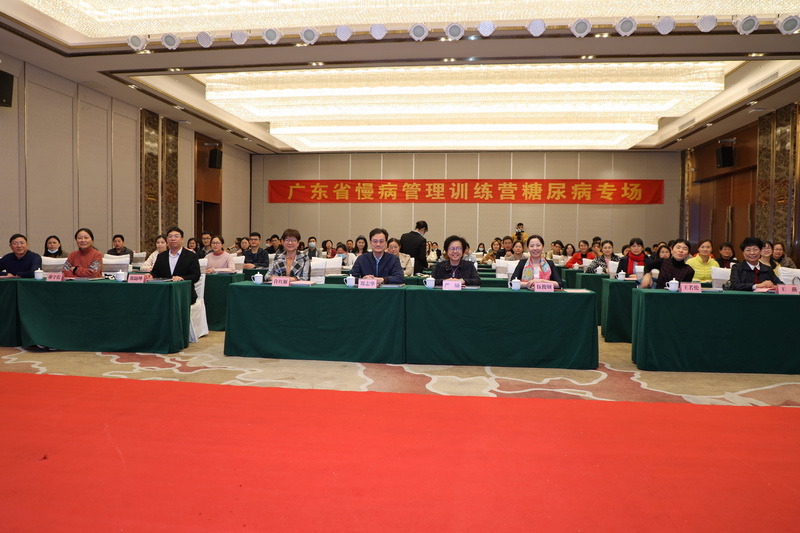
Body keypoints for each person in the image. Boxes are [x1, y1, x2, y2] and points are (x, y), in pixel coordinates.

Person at [148, 226, 201, 303]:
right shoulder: (161, 256)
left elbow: (196, 275)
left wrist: (182, 278)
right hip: (164, 293)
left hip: (184, 294)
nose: (173, 239)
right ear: (167, 240)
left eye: (176, 236)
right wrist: (151, 275)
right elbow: (156, 273)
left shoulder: (191, 256)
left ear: (182, 239)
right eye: (170, 236)